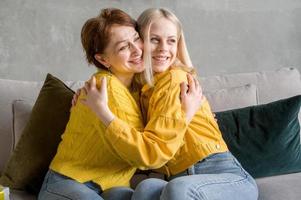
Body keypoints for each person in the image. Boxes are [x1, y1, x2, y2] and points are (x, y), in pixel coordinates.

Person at [82, 8, 259, 200]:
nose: (164, 48)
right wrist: (84, 92)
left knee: (179, 189)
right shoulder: (141, 91)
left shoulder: (176, 79)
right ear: (139, 42)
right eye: (155, 39)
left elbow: (156, 150)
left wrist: (185, 116)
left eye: (171, 40)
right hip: (180, 177)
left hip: (223, 174)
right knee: (146, 188)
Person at [38, 8, 201, 200]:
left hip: (110, 186)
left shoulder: (139, 89)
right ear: (102, 59)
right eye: (124, 47)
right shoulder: (104, 89)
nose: (137, 50)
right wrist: (185, 117)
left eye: (136, 38)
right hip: (69, 181)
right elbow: (147, 154)